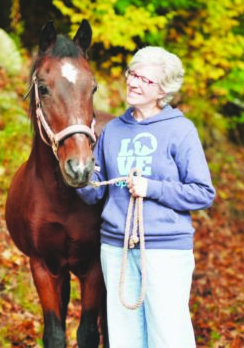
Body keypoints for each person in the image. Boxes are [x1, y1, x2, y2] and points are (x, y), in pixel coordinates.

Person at [76, 46, 215, 348]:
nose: (134, 82)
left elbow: (203, 192)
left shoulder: (180, 130)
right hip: (116, 249)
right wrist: (77, 178)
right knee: (124, 339)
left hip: (165, 249)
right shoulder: (112, 130)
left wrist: (152, 188)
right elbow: (95, 193)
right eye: (132, 74)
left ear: (163, 91)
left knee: (168, 336)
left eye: (145, 80)